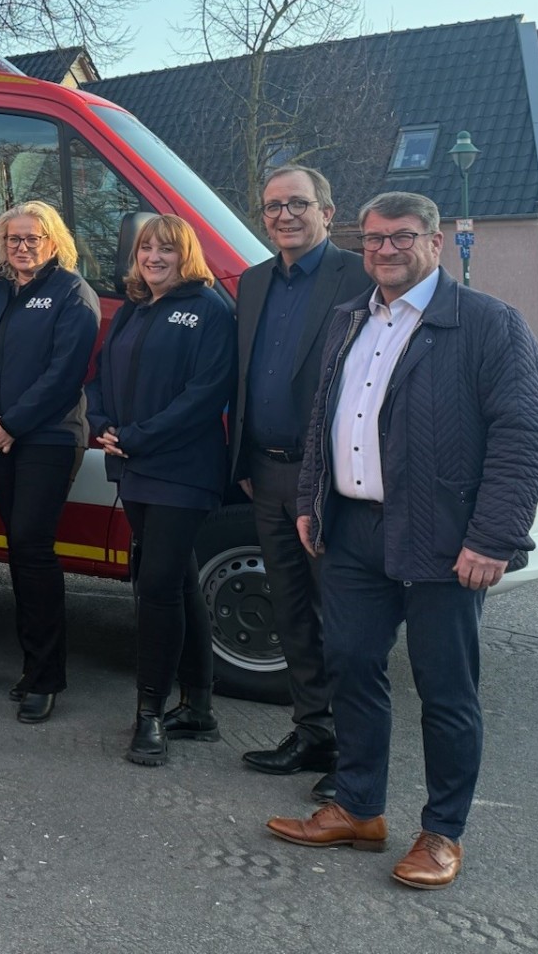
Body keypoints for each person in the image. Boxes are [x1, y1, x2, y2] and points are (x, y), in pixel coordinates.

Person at [266, 193, 538, 891]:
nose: (383, 251)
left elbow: (527, 437)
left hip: (443, 538)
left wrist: (492, 536)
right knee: (353, 667)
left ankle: (442, 832)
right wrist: (311, 500)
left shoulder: (488, 324)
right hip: (353, 531)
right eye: (370, 240)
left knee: (445, 689)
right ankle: (359, 809)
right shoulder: (349, 318)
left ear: (433, 241)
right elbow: (323, 422)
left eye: (399, 238)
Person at [231, 165, 372, 801]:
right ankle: (312, 731)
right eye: (272, 207)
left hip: (329, 477)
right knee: (290, 612)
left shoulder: (359, 274)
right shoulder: (255, 281)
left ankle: (354, 755)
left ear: (326, 209)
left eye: (297, 204)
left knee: (344, 620)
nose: (284, 216)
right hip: (265, 471)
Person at [87, 215, 236, 765]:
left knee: (154, 587)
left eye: (166, 249)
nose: (153, 257)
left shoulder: (210, 311)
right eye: (146, 248)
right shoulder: (132, 309)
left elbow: (204, 394)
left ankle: (149, 713)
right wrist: (101, 421)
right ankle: (198, 708)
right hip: (134, 464)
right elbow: (100, 374)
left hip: (181, 468)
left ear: (186, 255)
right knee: (177, 582)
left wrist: (138, 436)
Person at [0, 201, 101, 724]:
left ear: (54, 241)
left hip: (48, 439)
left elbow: (66, 374)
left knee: (32, 546)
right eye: (14, 239)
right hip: (1, 437)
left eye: (33, 238)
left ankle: (47, 677)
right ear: (2, 244)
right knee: (18, 550)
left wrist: (13, 423)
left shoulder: (72, 294)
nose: (23, 247)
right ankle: (32, 665)